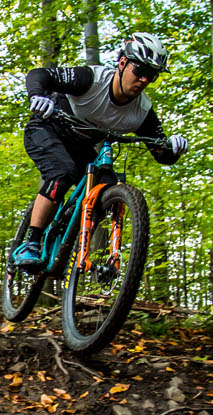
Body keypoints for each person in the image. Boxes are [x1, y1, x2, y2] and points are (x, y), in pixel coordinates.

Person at [11, 31, 188, 268]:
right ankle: (30, 242)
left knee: (108, 186)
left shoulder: (142, 111)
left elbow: (161, 153)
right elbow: (39, 75)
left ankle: (73, 243)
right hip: (48, 128)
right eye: (141, 71)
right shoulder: (92, 79)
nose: (144, 80)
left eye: (152, 76)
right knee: (62, 174)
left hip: (81, 145)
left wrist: (173, 148)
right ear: (122, 63)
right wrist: (38, 97)